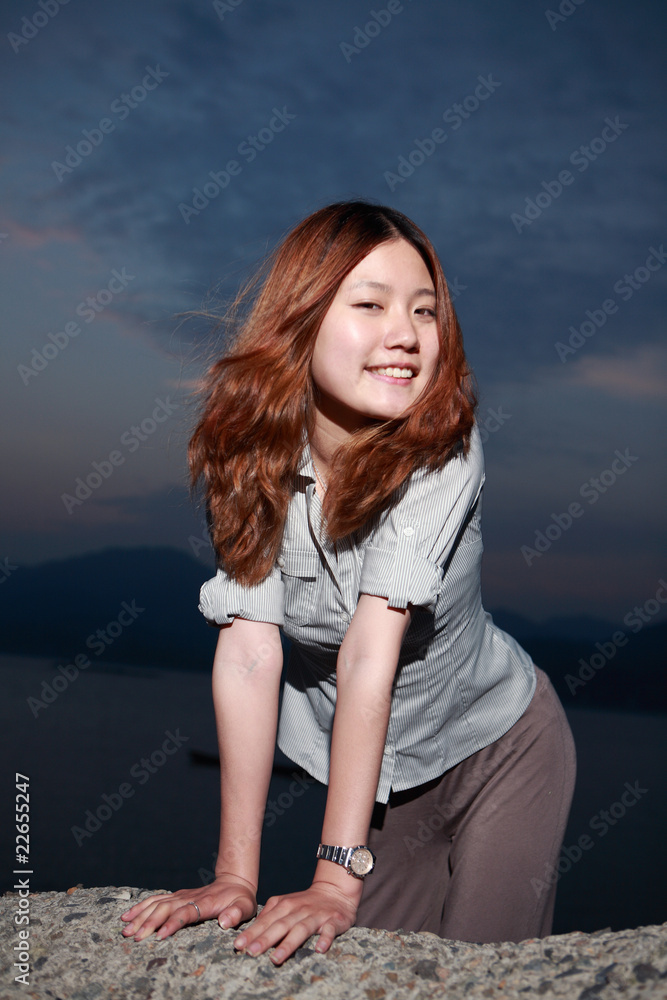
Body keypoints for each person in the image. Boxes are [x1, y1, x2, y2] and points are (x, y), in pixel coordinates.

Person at [121, 200, 576, 963]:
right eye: (370, 305)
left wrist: (333, 879)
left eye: (424, 311)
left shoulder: (443, 446)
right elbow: (247, 653)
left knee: (481, 975)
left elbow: (372, 652)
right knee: (368, 971)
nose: (406, 334)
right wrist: (234, 876)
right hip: (388, 789)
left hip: (505, 747)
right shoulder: (247, 453)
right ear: (301, 319)